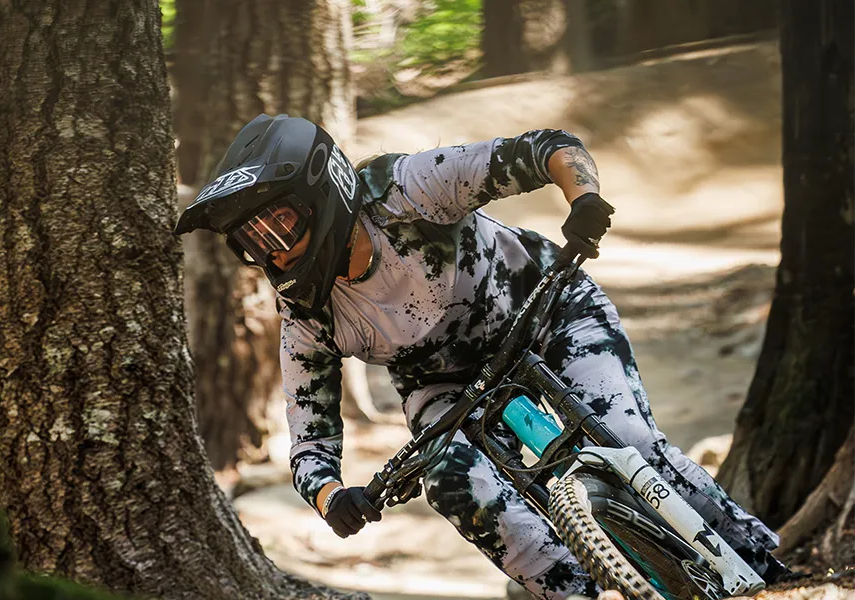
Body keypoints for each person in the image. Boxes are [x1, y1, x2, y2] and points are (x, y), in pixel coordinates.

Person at [174, 114, 787, 599]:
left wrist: (585, 200)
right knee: (451, 480)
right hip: (443, 386)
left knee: (627, 437)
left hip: (545, 309)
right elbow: (309, 440)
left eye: (280, 227)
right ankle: (574, 593)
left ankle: (760, 561)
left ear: (325, 191)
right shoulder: (306, 314)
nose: (274, 255)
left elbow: (546, 148)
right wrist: (334, 497)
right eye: (252, 243)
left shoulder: (405, 189)